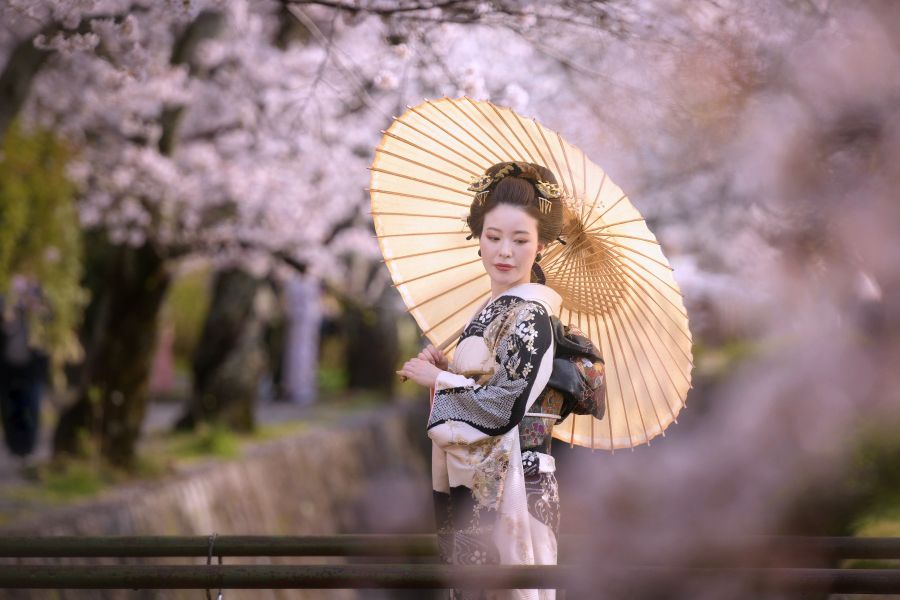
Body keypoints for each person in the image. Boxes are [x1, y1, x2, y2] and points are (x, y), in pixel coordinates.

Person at [398, 161, 565, 600]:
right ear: (479, 239)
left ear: (541, 247)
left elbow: (502, 406)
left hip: (518, 483)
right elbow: (484, 387)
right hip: (486, 476)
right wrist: (446, 368)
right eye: (493, 238)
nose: (504, 252)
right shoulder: (492, 310)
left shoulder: (531, 314)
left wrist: (438, 377)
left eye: (520, 240)